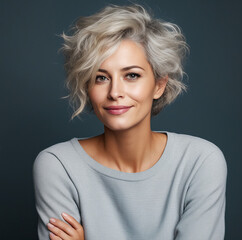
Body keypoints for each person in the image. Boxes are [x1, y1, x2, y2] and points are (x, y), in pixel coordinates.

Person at [33, 4, 227, 240]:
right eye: (101, 77)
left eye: (131, 75)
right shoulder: (58, 166)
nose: (115, 92)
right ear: (87, 87)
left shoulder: (200, 162)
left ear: (159, 84)